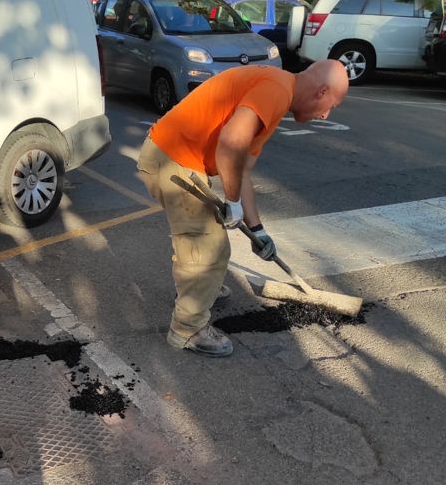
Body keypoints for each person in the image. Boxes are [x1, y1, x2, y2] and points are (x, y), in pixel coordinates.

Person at [136, 59, 349, 357]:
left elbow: (243, 169)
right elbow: (231, 143)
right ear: (321, 91)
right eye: (332, 105)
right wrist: (232, 202)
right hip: (172, 159)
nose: (326, 114)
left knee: (203, 240)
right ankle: (187, 328)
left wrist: (258, 230)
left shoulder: (278, 89)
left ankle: (199, 289)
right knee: (207, 245)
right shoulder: (276, 90)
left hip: (176, 157)